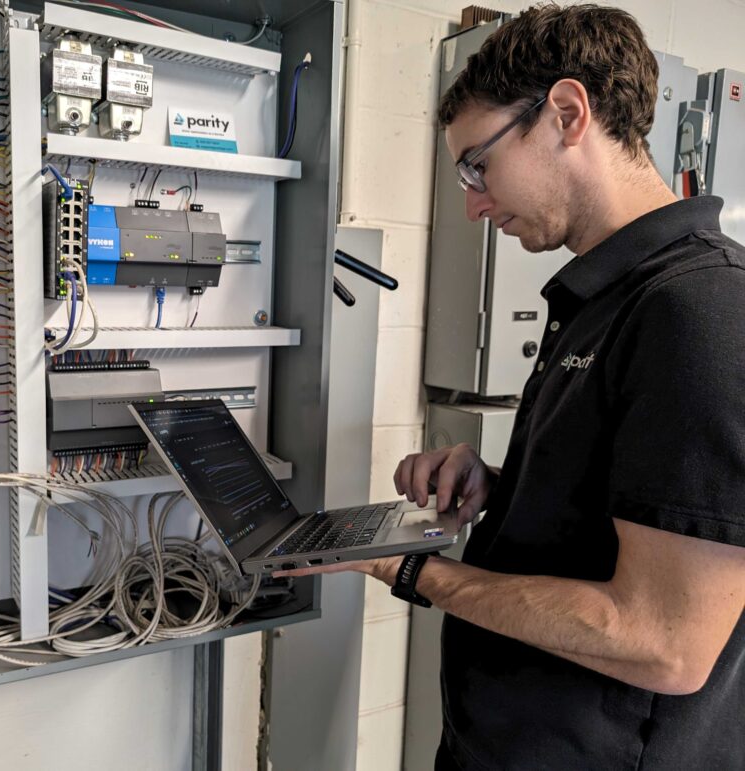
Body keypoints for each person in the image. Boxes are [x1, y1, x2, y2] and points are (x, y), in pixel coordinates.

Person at [278, 4, 745, 768]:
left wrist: (412, 570)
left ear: (567, 113)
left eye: (478, 165)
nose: (473, 202)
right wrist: (503, 485)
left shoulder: (703, 311)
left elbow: (663, 644)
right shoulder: (602, 301)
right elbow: (617, 509)